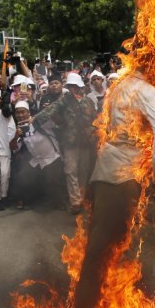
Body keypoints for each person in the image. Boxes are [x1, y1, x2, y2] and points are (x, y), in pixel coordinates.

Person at [73, 68, 155, 308]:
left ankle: (101, 302)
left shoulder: (118, 88)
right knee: (105, 244)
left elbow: (104, 128)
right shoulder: (147, 91)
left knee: (104, 241)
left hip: (105, 168)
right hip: (124, 174)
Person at [32, 72, 97, 214]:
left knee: (83, 171)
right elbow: (51, 109)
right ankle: (75, 202)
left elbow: (95, 119)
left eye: (75, 86)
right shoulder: (65, 100)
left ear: (80, 86)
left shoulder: (89, 101)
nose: (73, 88)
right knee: (70, 171)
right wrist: (35, 118)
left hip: (86, 142)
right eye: (71, 86)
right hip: (70, 141)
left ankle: (81, 198)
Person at [9, 101, 66, 210]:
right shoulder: (17, 128)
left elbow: (58, 121)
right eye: (17, 113)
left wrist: (48, 112)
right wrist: (16, 136)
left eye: (23, 112)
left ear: (28, 112)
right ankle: (27, 200)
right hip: (37, 159)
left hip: (52, 157)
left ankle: (59, 203)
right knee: (23, 176)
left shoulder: (39, 121)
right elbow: (13, 148)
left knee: (52, 180)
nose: (20, 115)